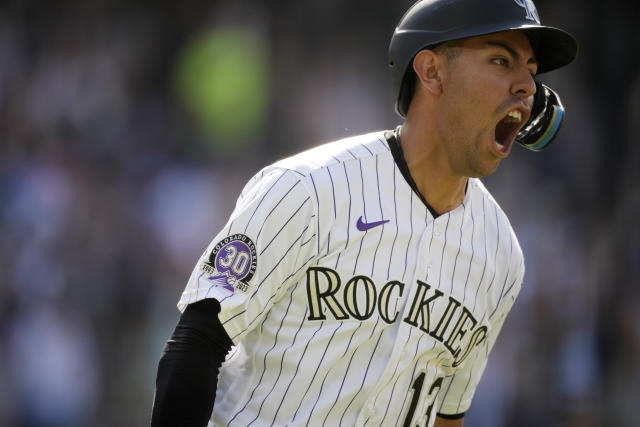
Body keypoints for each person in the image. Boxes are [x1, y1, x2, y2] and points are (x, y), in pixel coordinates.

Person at [151, 0, 578, 425]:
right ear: (431, 72)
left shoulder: (502, 257)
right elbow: (197, 342)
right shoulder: (307, 189)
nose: (528, 86)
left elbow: (448, 415)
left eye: (532, 71)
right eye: (501, 59)